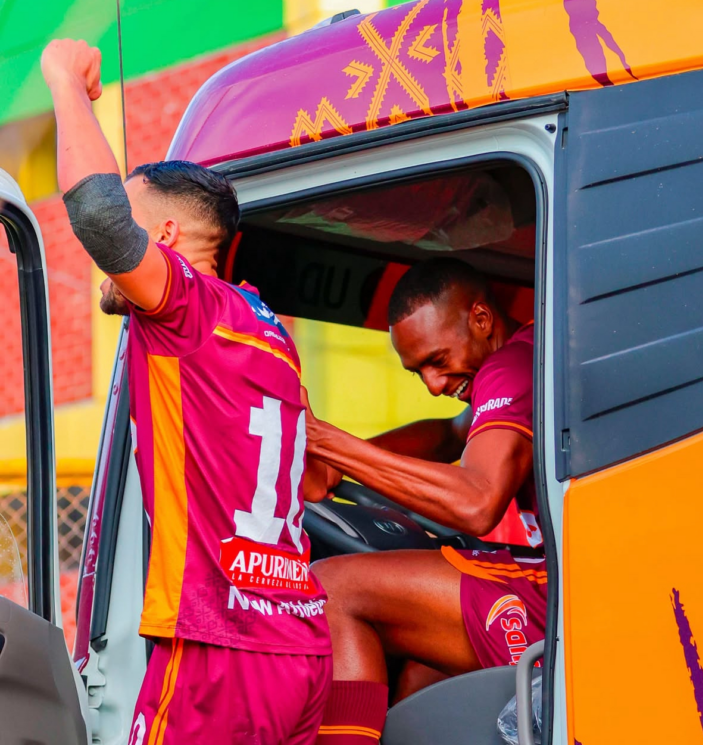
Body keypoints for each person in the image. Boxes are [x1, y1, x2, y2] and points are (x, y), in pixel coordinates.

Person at [41, 39, 332, 744]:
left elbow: (99, 216)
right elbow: (315, 479)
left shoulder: (189, 308)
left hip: (217, 649)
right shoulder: (270, 334)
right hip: (300, 648)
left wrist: (62, 77)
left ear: (167, 237)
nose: (111, 268)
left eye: (137, 227)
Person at [303, 257, 547, 745]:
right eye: (419, 373)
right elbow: (450, 434)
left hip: (568, 597)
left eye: (438, 360)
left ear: (482, 319)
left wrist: (325, 442)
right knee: (421, 664)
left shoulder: (511, 366)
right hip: (571, 582)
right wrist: (340, 463)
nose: (434, 386)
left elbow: (477, 502)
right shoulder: (528, 357)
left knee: (332, 589)